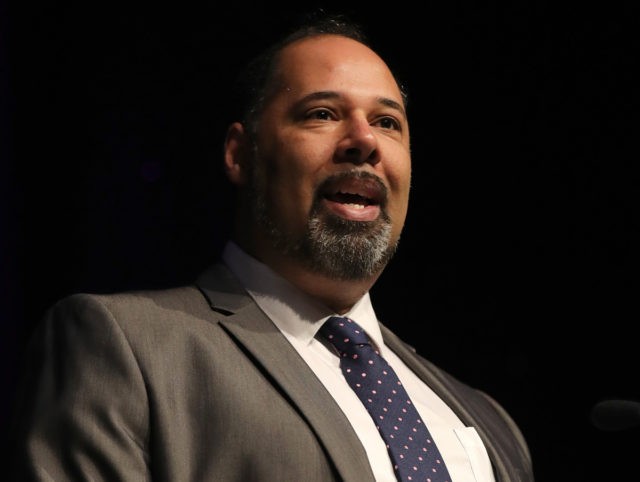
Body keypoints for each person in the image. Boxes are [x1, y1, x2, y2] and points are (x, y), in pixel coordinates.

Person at [8, 10, 534, 482]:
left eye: (387, 122)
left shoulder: (485, 419)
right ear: (241, 154)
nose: (365, 140)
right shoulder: (126, 346)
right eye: (322, 114)